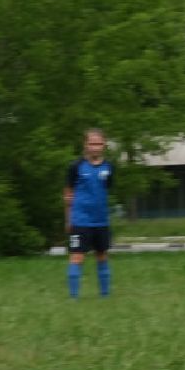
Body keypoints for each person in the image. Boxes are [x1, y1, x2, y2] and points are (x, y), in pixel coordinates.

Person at [65, 128, 116, 299]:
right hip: (80, 221)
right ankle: (73, 298)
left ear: (104, 145)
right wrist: (68, 219)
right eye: (92, 143)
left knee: (102, 256)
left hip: (101, 221)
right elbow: (68, 194)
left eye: (99, 144)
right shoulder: (76, 167)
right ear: (85, 145)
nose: (95, 147)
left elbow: (106, 189)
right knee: (77, 257)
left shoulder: (109, 167)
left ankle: (105, 296)